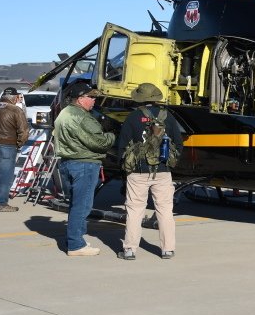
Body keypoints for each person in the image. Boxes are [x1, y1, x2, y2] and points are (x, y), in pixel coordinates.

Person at [116, 83, 183, 260]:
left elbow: (122, 145)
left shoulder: (132, 117)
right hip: (162, 170)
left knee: (135, 209)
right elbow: (178, 143)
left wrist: (123, 167)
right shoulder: (167, 117)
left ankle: (130, 249)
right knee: (165, 209)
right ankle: (167, 249)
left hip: (138, 171)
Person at [53, 81, 116, 256]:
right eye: (91, 97)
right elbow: (99, 142)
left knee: (75, 204)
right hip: (84, 164)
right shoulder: (82, 117)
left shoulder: (64, 113)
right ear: (80, 99)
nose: (94, 100)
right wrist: (111, 135)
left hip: (67, 162)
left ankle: (76, 238)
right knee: (82, 206)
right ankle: (75, 245)